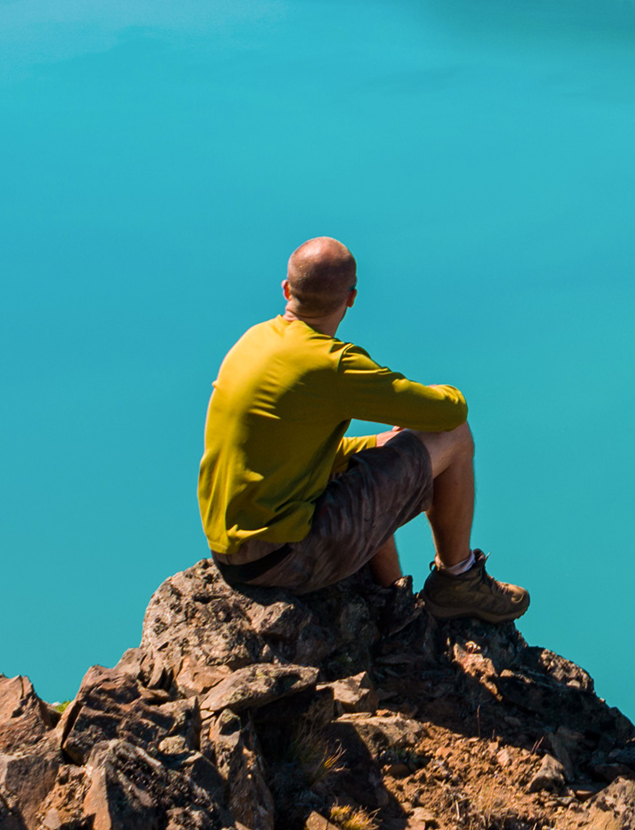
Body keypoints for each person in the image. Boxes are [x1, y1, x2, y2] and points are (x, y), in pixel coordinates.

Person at [199, 236, 528, 619]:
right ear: (351, 297)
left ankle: (394, 603)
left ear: (287, 289)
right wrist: (441, 396)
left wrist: (377, 443)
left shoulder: (252, 341)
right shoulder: (332, 364)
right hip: (284, 558)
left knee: (373, 461)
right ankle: (458, 578)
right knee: (453, 437)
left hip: (233, 552)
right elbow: (449, 413)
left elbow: (285, 454)